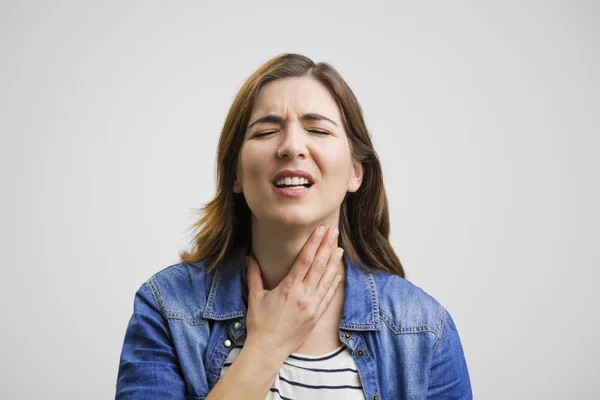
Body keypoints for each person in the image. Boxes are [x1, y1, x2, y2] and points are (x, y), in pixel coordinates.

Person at [115, 53, 473, 399]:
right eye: (266, 131)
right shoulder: (166, 307)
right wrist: (266, 345)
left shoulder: (424, 329)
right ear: (236, 173)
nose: (291, 146)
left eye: (318, 129)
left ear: (355, 171)